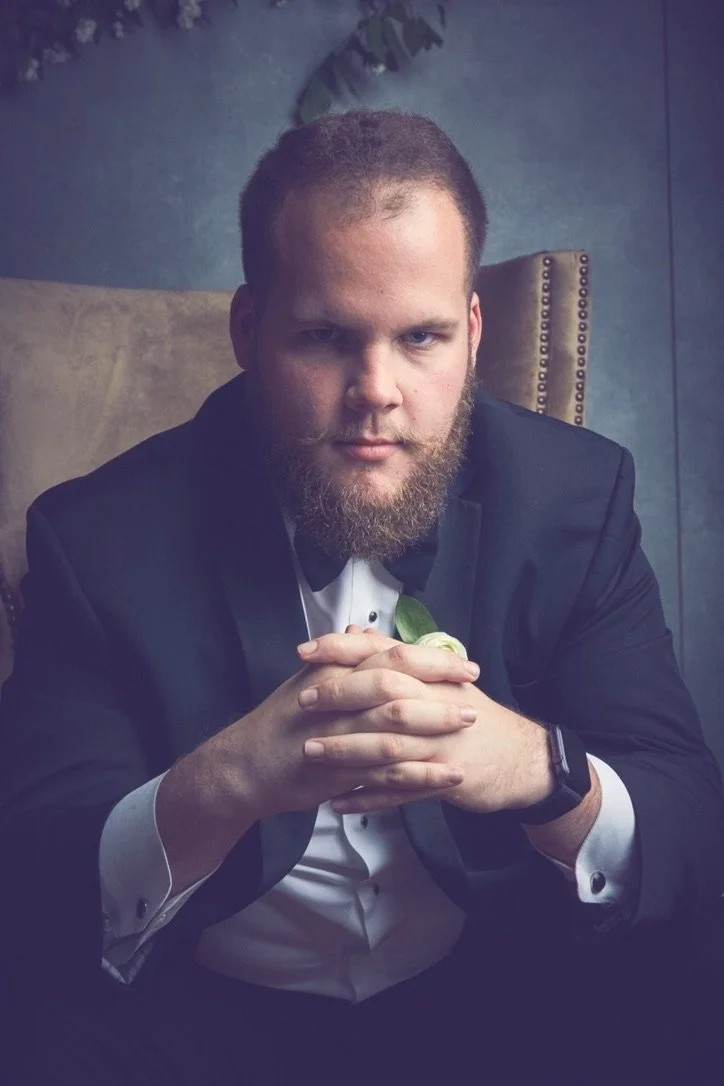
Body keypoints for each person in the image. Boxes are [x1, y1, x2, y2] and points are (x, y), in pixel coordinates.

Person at [1, 108, 723, 1086]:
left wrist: (540, 768)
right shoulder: (95, 539)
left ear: (472, 334)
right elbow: (35, 884)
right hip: (194, 1017)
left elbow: (687, 824)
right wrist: (224, 783)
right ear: (250, 331)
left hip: (487, 995)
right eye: (325, 336)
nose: (375, 389)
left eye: (420, 336)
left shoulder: (576, 499)